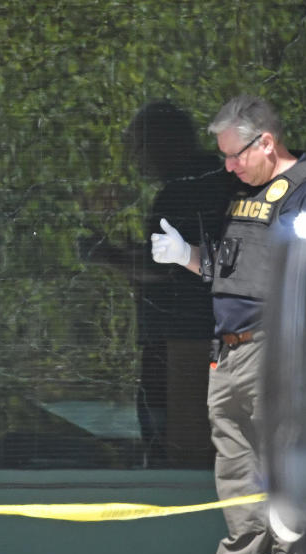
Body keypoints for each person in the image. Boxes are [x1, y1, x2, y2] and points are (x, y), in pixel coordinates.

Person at [150, 95, 306, 554]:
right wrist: (186, 256)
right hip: (228, 352)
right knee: (237, 471)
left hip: (277, 350)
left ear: (266, 142)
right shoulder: (247, 193)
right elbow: (238, 271)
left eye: (234, 156)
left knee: (280, 468)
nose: (227, 167)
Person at [123, 101, 237, 467]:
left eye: (138, 147)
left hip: (183, 342)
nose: (135, 160)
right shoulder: (223, 180)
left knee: (173, 448)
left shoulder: (181, 190)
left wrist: (104, 255)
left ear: (163, 143)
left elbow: (161, 268)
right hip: (221, 335)